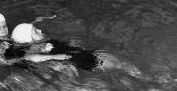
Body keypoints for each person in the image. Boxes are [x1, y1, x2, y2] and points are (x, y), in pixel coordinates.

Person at [11, 23, 142, 77]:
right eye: (35, 31)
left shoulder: (44, 42)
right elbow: (29, 58)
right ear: (28, 40)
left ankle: (136, 75)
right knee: (115, 65)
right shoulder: (33, 50)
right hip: (78, 60)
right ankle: (143, 77)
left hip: (79, 53)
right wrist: (53, 58)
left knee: (115, 64)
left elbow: (63, 45)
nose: (40, 30)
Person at [0, 12, 72, 66]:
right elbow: (4, 60)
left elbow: (21, 32)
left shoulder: (4, 36)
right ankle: (54, 57)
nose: (3, 31)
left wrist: (36, 21)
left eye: (4, 26)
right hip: (19, 58)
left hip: (20, 50)